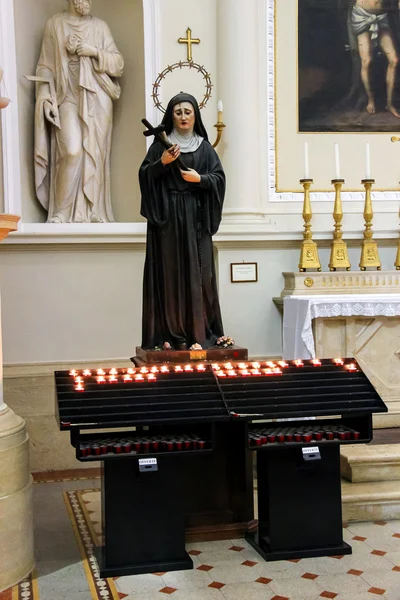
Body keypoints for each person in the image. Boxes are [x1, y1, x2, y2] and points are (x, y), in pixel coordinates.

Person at [139, 93, 226, 351]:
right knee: (169, 274)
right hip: (167, 219)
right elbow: (145, 176)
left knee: (201, 275)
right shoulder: (159, 146)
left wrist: (200, 179)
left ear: (195, 115)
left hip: (196, 218)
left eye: (188, 112)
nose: (183, 117)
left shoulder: (204, 147)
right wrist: (162, 163)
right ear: (171, 116)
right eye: (178, 112)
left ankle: (200, 333)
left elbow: (219, 179)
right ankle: (169, 333)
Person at [34, 0, 124, 223]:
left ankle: (94, 211)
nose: (88, 1)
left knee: (95, 151)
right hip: (67, 96)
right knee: (72, 150)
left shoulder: (100, 27)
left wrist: (92, 51)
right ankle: (62, 212)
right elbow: (45, 66)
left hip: (97, 98)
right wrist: (45, 99)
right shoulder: (54, 24)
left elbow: (118, 64)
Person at [350, 0, 400, 117]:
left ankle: (389, 104)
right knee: (366, 61)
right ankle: (370, 99)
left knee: (394, 60)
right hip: (361, 16)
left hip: (381, 16)